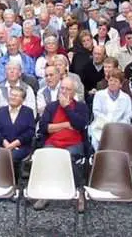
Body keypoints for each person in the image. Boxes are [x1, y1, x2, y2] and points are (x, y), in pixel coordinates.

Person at [35, 75, 89, 212]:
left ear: (73, 92)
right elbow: (44, 127)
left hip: (73, 143)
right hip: (53, 142)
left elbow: (80, 125)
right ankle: (45, 192)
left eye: (68, 89)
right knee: (47, 156)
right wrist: (65, 124)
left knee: (69, 158)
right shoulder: (51, 107)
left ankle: (79, 192)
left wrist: (67, 109)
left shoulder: (81, 107)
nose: (64, 91)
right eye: (62, 88)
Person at [90, 69, 132, 149]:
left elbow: (128, 116)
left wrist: (116, 125)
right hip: (101, 127)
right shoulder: (99, 95)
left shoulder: (126, 98)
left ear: (121, 84)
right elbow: (96, 112)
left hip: (119, 129)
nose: (112, 83)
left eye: (116, 81)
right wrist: (108, 123)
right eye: (111, 80)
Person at [0, 87, 35, 165]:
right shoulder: (1, 111)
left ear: (22, 99)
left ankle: (12, 177)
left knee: (10, 157)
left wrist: (14, 144)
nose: (13, 97)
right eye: (12, 95)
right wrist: (5, 142)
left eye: (16, 96)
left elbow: (30, 132)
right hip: (1, 145)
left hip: (20, 146)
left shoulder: (28, 112)